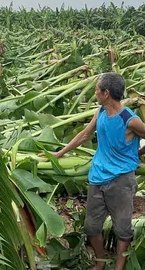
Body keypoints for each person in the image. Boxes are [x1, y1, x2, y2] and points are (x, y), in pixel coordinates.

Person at [42, 72, 145, 270]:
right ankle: (100, 261)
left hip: (121, 180)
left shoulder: (129, 120)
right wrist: (58, 154)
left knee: (122, 229)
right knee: (92, 227)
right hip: (98, 177)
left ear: (106, 93)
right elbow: (84, 135)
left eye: (97, 89)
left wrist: (138, 153)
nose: (95, 92)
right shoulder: (101, 112)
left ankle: (119, 266)